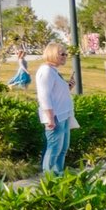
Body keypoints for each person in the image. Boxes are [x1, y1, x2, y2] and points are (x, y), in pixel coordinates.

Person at [35, 41, 77, 175]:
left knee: (62, 149)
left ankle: (59, 176)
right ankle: (49, 178)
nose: (65, 56)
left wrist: (68, 87)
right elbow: (44, 96)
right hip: (55, 117)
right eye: (62, 54)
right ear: (52, 54)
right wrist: (50, 118)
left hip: (63, 115)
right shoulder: (46, 71)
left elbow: (57, 93)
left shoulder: (53, 71)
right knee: (54, 149)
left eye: (66, 54)